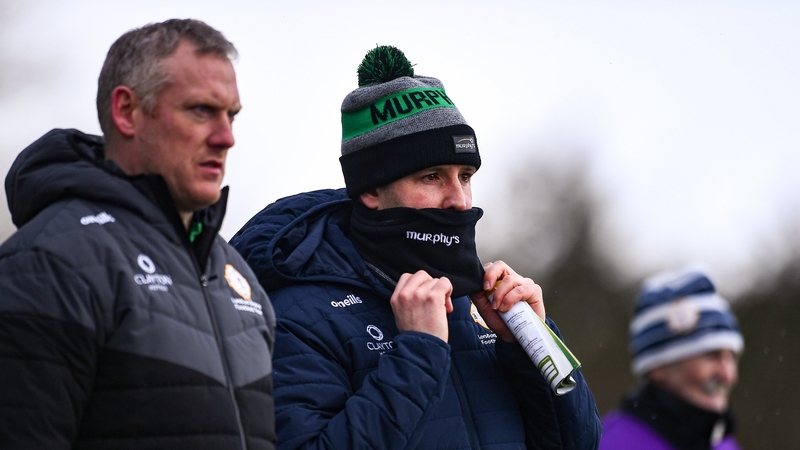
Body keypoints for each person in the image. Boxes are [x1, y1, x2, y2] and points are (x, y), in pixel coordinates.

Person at [231, 45, 601, 449]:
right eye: (431, 177)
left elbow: (578, 444)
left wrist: (532, 341)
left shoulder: (479, 305)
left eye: (465, 175)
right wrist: (417, 353)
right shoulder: (299, 317)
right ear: (371, 188)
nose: (459, 200)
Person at [0, 19, 276, 449]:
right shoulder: (46, 264)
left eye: (231, 115)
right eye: (201, 110)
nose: (226, 138)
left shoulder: (237, 276)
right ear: (127, 111)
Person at [599, 266, 744, 450]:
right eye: (711, 356)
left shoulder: (723, 443)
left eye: (731, 357)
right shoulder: (607, 445)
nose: (728, 375)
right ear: (658, 366)